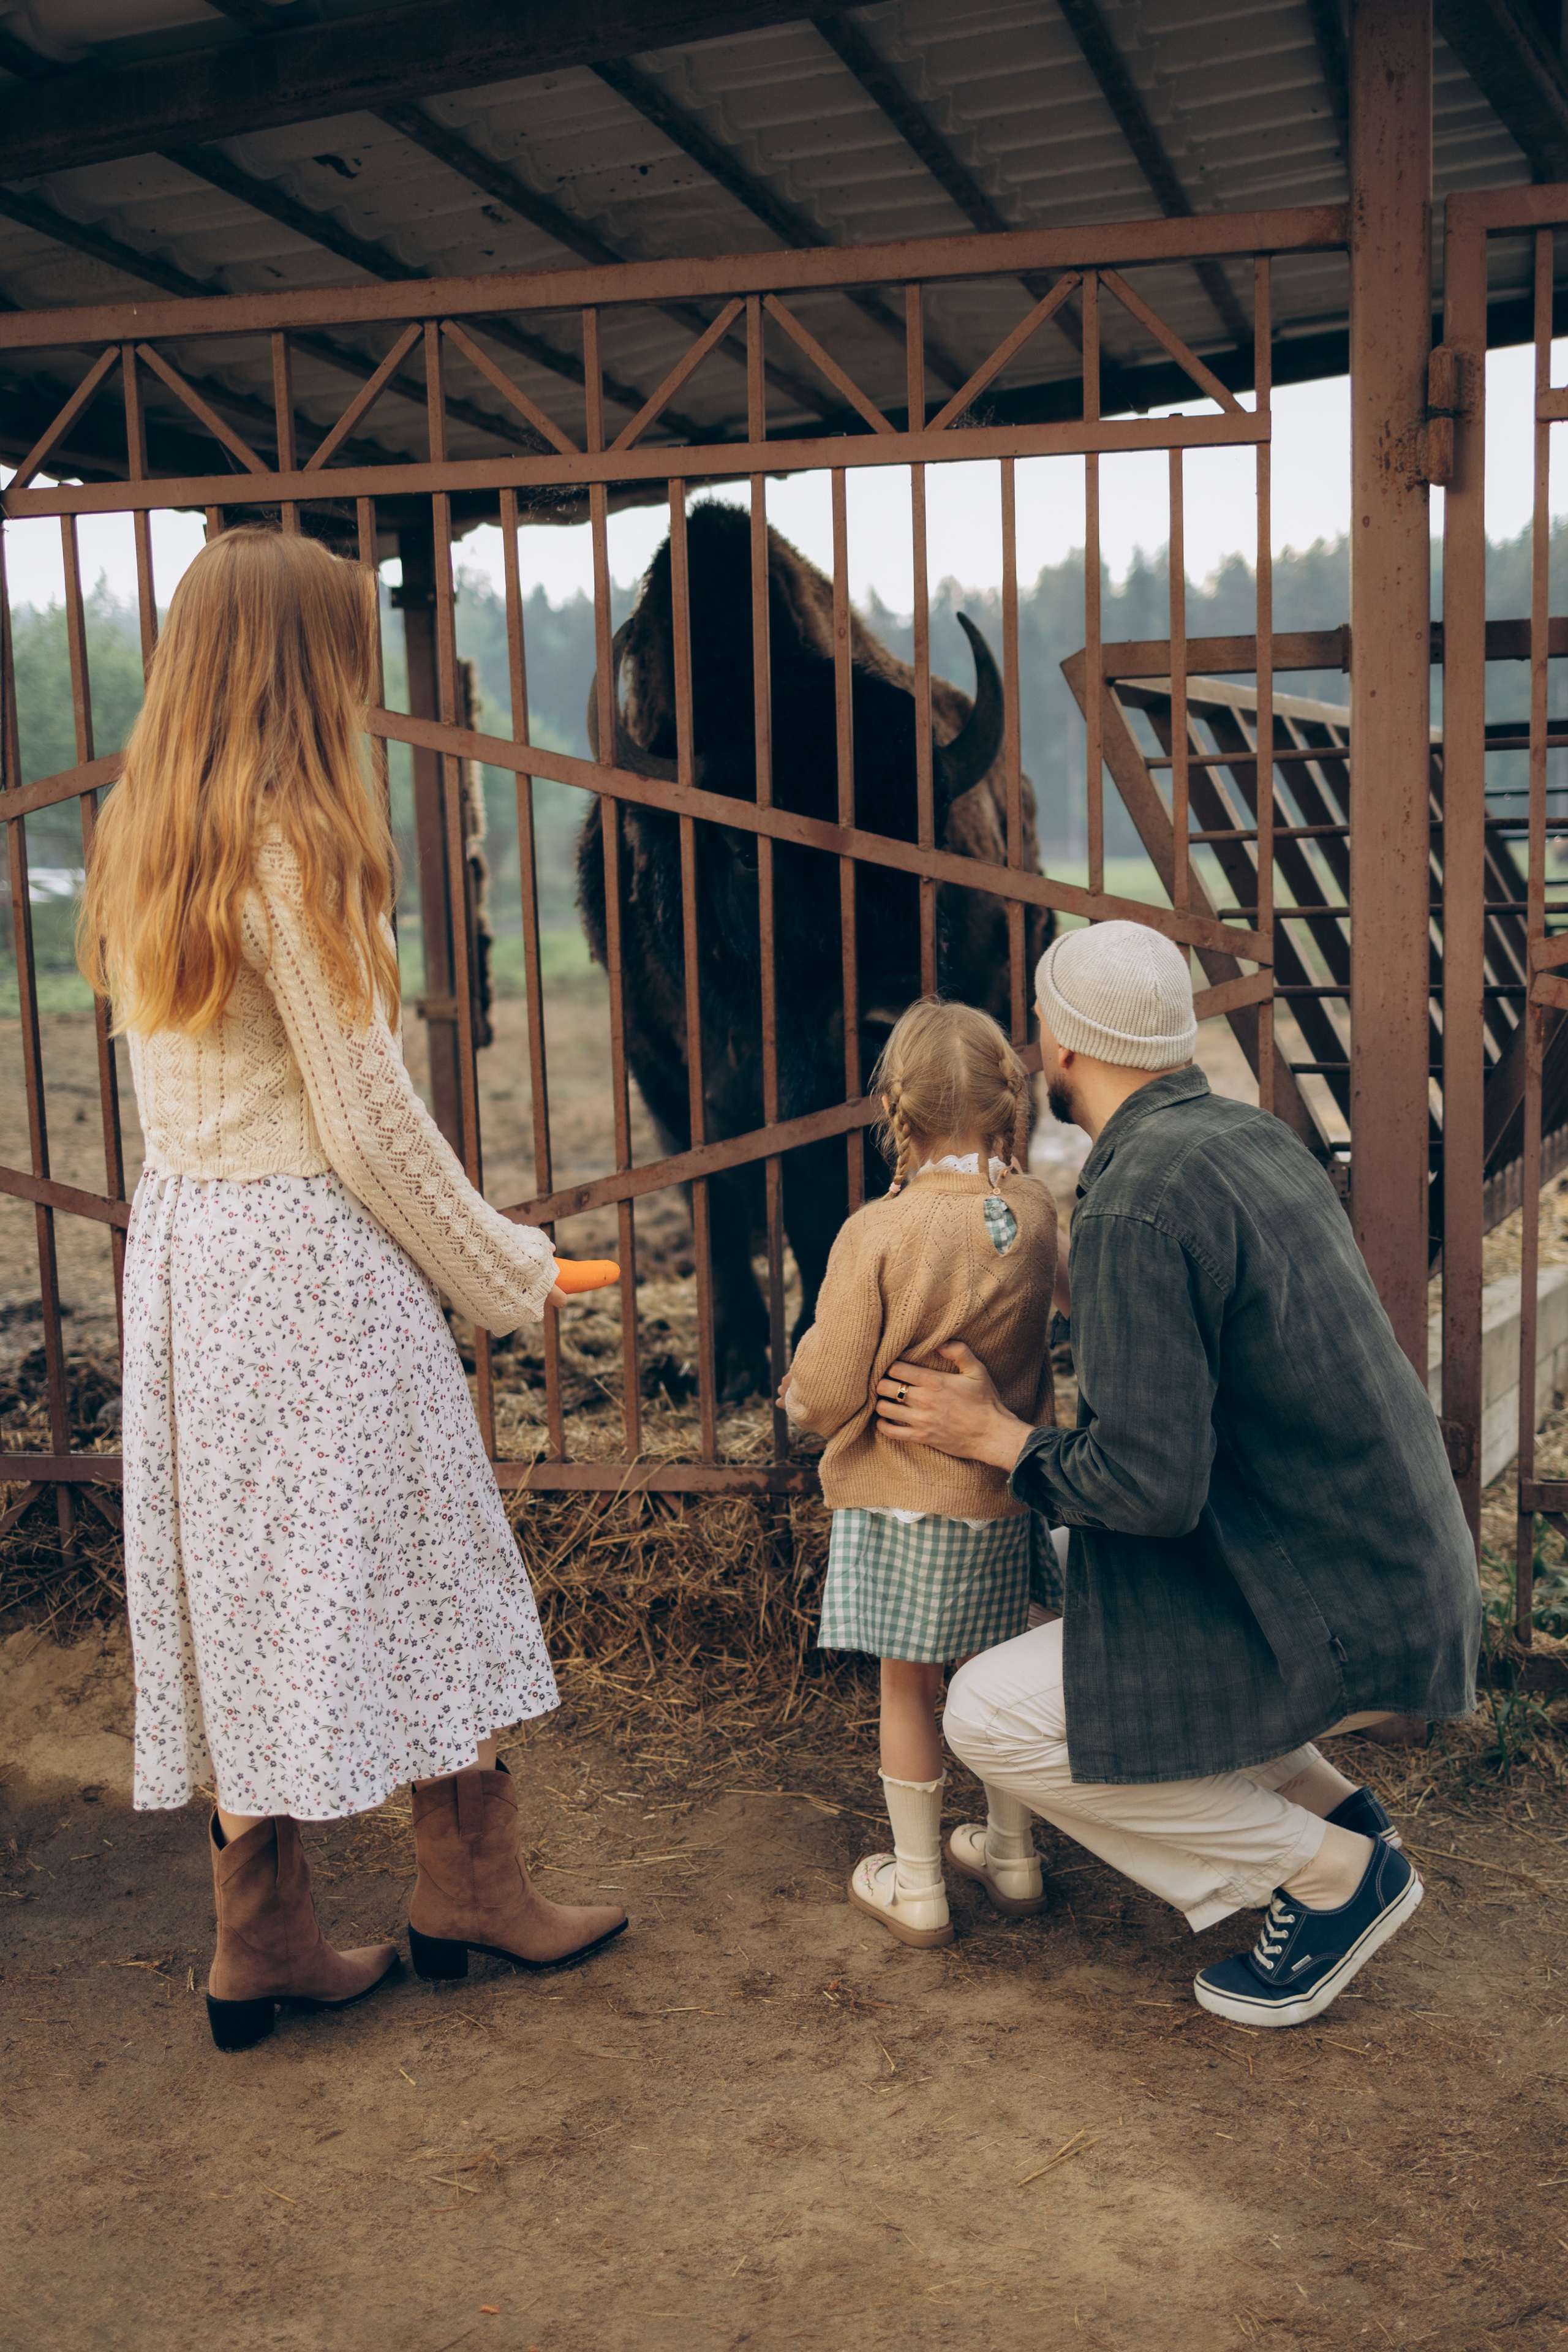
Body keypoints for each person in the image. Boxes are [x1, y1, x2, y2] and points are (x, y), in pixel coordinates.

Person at [79, 527, 627, 2053]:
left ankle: (258, 1939)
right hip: (312, 1266)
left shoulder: (147, 832)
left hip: (192, 1263)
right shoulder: (281, 843)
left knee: (253, 1591)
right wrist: (511, 1270)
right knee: (423, 1564)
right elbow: (367, 1120)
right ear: (299, 667)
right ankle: (471, 1891)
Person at [873, 921, 1480, 2026]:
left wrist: (995, 1437)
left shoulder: (1139, 1198)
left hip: (1317, 1602)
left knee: (988, 1716)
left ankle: (1328, 1878)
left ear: (1060, 1044)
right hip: (1380, 1572)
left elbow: (1147, 1490)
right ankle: (1344, 1823)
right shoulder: (1239, 1140)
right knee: (1087, 1589)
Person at [783, 1000, 1059, 1948]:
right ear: (1006, 1098)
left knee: (910, 1688)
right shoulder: (1032, 1212)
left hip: (903, 1503)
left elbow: (827, 1385)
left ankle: (920, 1884)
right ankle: (1013, 1857)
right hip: (1001, 1491)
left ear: (895, 1102)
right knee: (993, 1679)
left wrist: (799, 1407)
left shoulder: (879, 1231)